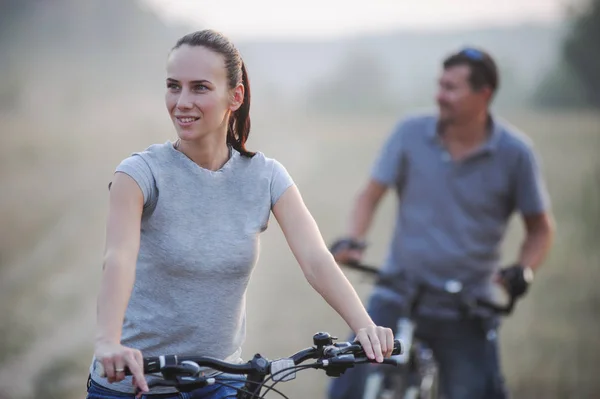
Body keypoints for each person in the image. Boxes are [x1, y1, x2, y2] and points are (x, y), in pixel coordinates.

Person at [86, 29, 394, 399]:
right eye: (173, 86)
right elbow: (118, 258)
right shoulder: (138, 174)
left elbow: (316, 260)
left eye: (199, 87)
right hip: (132, 385)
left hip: (220, 384)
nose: (182, 101)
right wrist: (108, 342)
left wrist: (363, 326)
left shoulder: (266, 177)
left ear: (236, 96)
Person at [327, 47, 555, 399]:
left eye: (451, 88)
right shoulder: (409, 133)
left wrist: (523, 270)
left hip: (466, 308)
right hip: (397, 292)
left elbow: (540, 227)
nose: (440, 95)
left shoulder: (515, 154)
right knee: (346, 386)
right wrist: (353, 238)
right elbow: (369, 195)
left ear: (484, 94)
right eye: (440, 84)